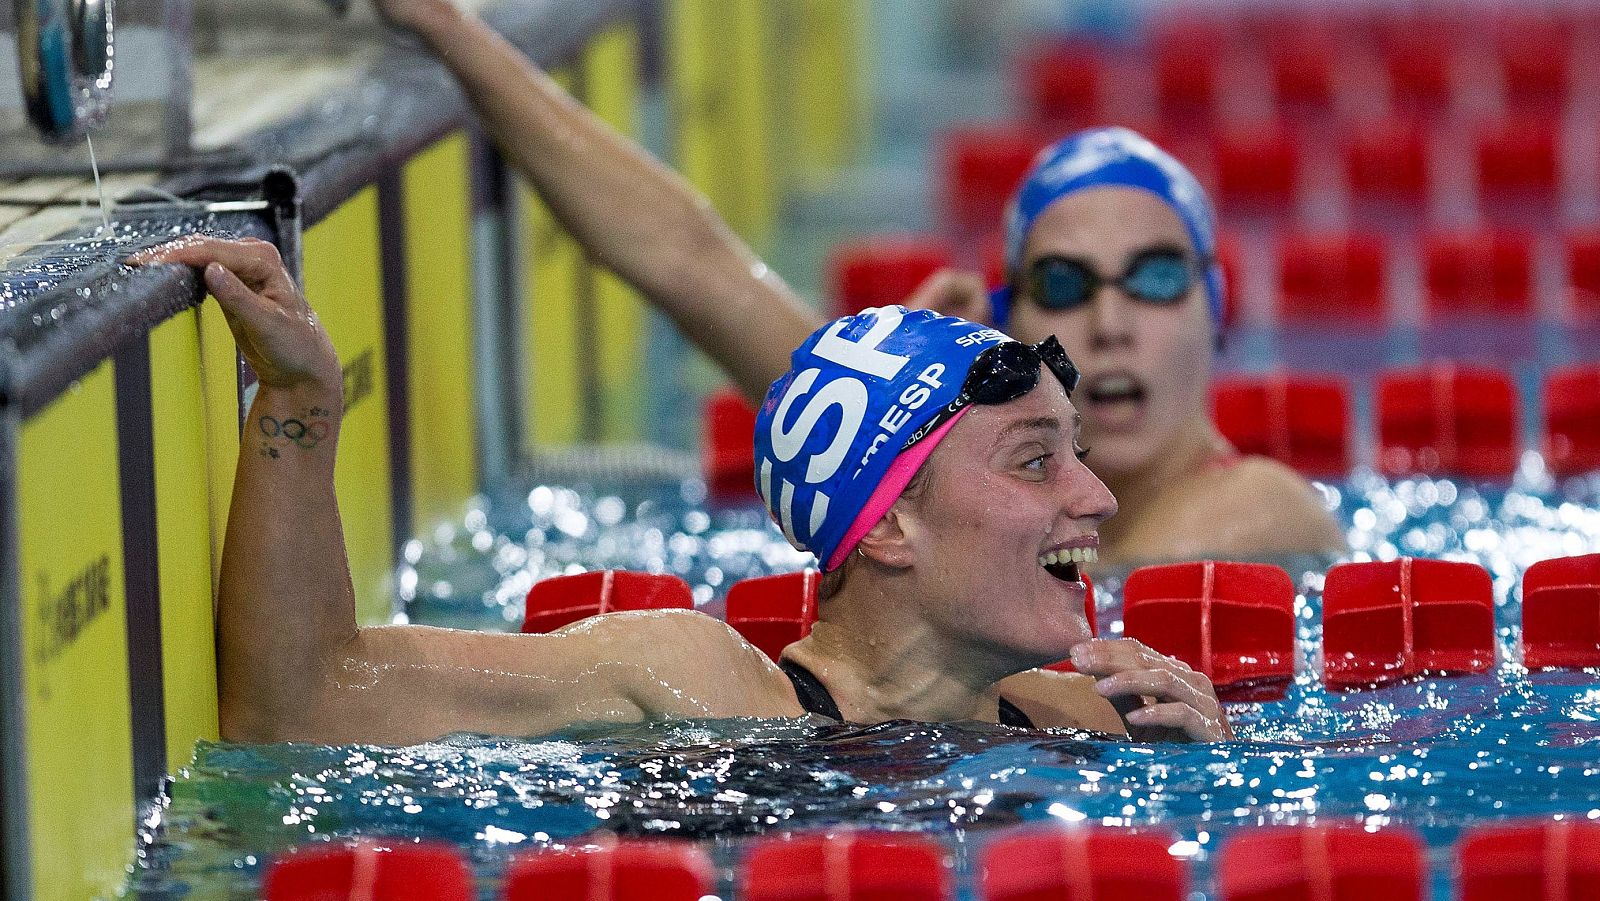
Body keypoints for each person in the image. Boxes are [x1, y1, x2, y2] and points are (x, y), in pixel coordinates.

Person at [130, 237, 1230, 746]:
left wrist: (1218, 766)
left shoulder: (1091, 723)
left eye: (1076, 453)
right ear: (887, 521)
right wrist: (297, 402)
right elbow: (304, 704)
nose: (1094, 496)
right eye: (1036, 457)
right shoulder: (690, 684)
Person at [367, 0, 1343, 565]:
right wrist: (442, 23)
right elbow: (694, 263)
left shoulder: (1260, 508)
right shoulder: (972, 498)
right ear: (1015, 333)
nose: (1111, 321)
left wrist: (924, 452)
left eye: (1155, 279)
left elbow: (1078, 605)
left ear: (1217, 314)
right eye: (1065, 283)